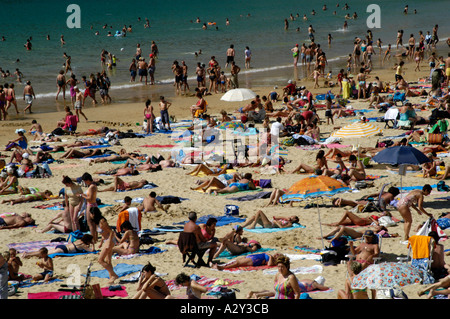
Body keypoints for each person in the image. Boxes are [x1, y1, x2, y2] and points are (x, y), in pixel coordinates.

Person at [90, 207, 119, 284]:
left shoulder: (102, 221)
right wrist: (101, 242)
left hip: (110, 240)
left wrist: (109, 242)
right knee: (107, 261)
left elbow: (111, 232)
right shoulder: (97, 222)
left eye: (90, 214)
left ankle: (114, 275)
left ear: (93, 214)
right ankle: (111, 278)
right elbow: (103, 233)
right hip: (106, 240)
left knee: (100, 260)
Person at [23, 235, 95, 258]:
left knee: (45, 252)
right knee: (45, 254)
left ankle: (28, 253)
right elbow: (92, 251)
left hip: (62, 246)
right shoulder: (83, 245)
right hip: (63, 250)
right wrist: (93, 244)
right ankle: (28, 255)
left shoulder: (79, 240)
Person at [79, 173, 99, 243]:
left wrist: (82, 196)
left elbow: (90, 198)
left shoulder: (91, 187)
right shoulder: (94, 185)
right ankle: (95, 238)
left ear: (87, 180)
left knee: (90, 223)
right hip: (93, 204)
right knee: (94, 223)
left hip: (91, 205)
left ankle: (93, 239)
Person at [211, 252, 281, 270]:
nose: (276, 254)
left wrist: (270, 256)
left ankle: (221, 267)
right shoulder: (271, 256)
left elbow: (269, 264)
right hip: (252, 257)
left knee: (237, 263)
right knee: (235, 261)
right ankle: (217, 266)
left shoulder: (272, 259)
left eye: (278, 255)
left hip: (254, 260)